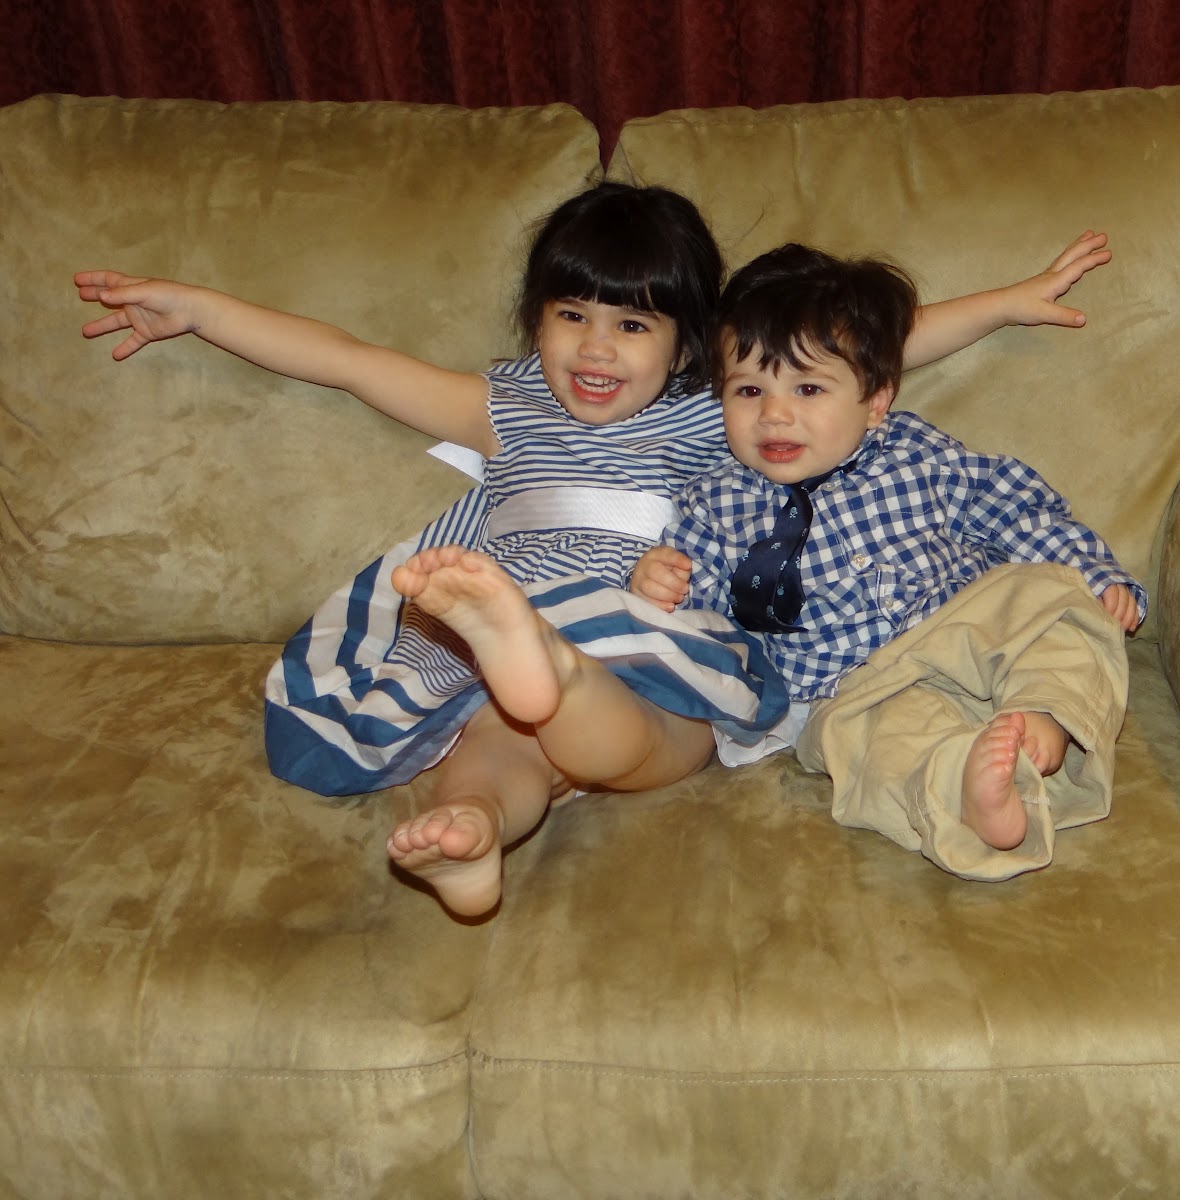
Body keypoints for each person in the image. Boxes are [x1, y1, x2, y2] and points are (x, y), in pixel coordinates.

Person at [76, 183, 1113, 913]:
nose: (595, 347)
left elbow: (842, 351)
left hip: (645, 636)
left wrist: (1002, 305)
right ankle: (471, 840)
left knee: (624, 720)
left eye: (631, 325)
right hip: (516, 622)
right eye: (570, 314)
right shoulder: (505, 408)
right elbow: (350, 362)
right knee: (499, 748)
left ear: (691, 345)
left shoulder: (719, 411)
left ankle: (546, 670)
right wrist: (199, 310)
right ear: (535, 321)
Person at [631, 243, 1146, 880]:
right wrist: (657, 588)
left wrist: (1092, 573)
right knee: (874, 753)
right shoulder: (712, 503)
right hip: (853, 689)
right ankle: (969, 791)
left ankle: (1044, 709)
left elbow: (1014, 510)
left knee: (1053, 599)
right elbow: (706, 628)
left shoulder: (916, 454)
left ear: (875, 402)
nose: (774, 414)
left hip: (964, 627)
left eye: (808, 388)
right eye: (749, 389)